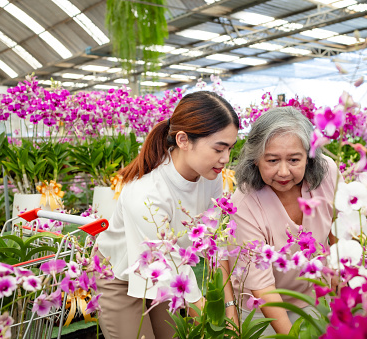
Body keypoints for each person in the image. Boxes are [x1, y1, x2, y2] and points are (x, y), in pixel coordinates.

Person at [95, 91, 239, 339]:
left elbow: (214, 244)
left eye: (230, 148)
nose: (225, 159)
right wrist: (213, 323)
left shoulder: (210, 177)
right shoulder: (146, 193)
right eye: (219, 148)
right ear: (183, 140)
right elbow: (171, 262)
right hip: (120, 278)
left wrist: (229, 307)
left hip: (162, 272)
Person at [228, 106, 338, 335]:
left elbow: (339, 226)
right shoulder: (244, 202)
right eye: (272, 160)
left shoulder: (328, 174)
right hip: (261, 309)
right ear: (255, 159)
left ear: (309, 157)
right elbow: (263, 288)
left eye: (294, 160)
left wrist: (340, 268)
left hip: (313, 296)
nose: (284, 172)